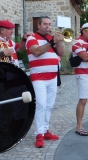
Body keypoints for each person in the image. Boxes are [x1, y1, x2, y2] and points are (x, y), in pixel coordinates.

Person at [25, 15, 64, 148]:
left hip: (52, 77)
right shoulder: (32, 38)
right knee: (41, 105)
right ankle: (39, 134)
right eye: (45, 24)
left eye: (49, 24)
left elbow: (62, 53)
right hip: (39, 78)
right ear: (39, 25)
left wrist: (58, 41)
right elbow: (36, 52)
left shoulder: (50, 38)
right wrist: (52, 42)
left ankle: (45, 130)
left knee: (49, 105)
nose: (48, 27)